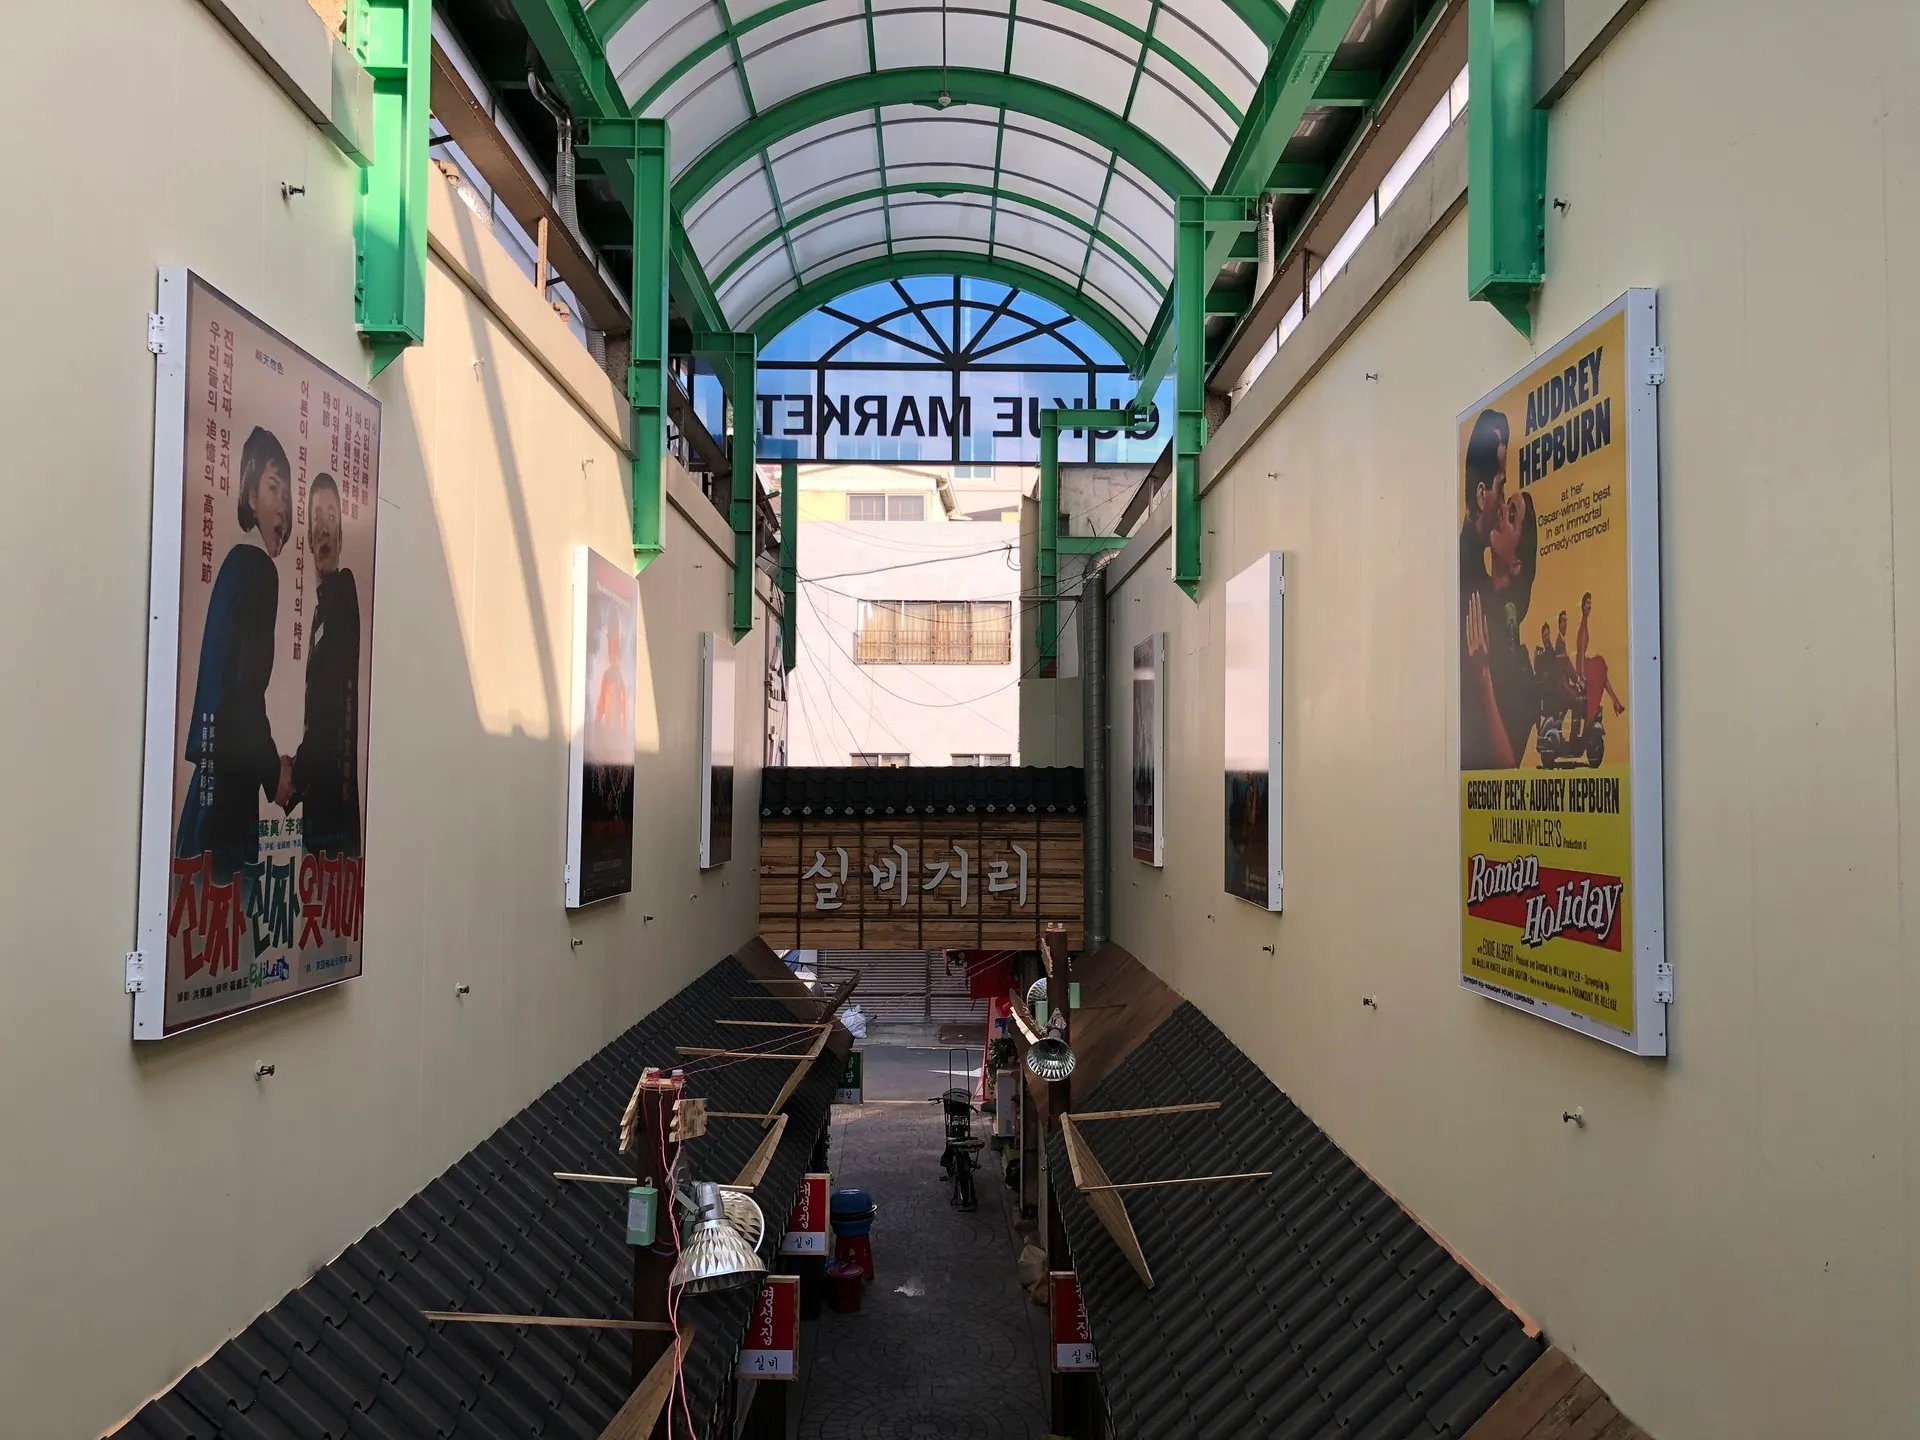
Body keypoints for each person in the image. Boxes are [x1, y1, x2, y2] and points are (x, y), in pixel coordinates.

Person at [177, 427, 294, 881]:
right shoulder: (259, 569)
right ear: (249, 497)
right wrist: (274, 771)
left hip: (210, 789)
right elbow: (244, 692)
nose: (283, 505)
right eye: (273, 488)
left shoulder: (234, 564)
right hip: (230, 798)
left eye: (287, 493)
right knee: (226, 907)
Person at [291, 473, 362, 857]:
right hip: (317, 810)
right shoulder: (320, 614)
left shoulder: (343, 591)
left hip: (335, 810)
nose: (323, 527)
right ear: (307, 537)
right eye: (316, 517)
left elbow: (327, 712)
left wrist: (291, 775)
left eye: (332, 516)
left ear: (341, 536)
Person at [1463, 487, 1539, 769]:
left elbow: (1508, 765)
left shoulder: (1521, 669)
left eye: (1512, 514)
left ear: (1517, 564)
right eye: (1505, 504)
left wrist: (1483, 678)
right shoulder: (1468, 577)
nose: (1502, 511)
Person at [1575, 591, 1625, 723]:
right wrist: (1581, 676)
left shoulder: (1584, 622)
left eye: (1590, 603)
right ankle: (1614, 702)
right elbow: (1581, 650)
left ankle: (1615, 701)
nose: (1589, 606)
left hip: (1582, 663)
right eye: (1587, 603)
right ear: (1582, 606)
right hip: (1581, 665)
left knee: (1600, 665)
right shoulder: (1583, 624)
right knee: (1599, 665)